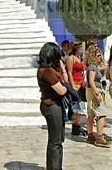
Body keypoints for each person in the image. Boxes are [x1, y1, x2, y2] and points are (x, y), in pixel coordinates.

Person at [36, 42, 68, 170]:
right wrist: (66, 88)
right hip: (51, 106)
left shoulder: (51, 70)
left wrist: (62, 67)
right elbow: (62, 90)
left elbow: (65, 80)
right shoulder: (47, 71)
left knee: (59, 139)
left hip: (55, 105)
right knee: (55, 141)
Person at [84, 41, 111, 147]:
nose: (100, 57)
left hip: (91, 92)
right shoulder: (92, 67)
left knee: (91, 114)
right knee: (101, 114)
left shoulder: (93, 66)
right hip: (95, 92)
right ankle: (100, 137)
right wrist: (97, 93)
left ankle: (90, 134)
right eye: (98, 55)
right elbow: (91, 81)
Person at [66, 41, 86, 136]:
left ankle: (77, 125)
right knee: (76, 107)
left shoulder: (79, 58)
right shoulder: (71, 58)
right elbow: (69, 72)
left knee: (80, 108)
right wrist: (72, 85)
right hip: (75, 83)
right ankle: (75, 126)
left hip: (81, 83)